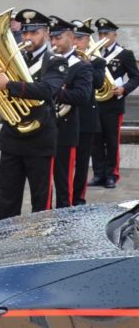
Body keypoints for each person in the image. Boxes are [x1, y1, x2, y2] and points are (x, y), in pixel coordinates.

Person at [0, 9, 65, 220]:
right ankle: (6, 237)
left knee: (41, 199)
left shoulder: (55, 61)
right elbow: (3, 94)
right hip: (12, 138)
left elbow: (48, 90)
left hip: (40, 140)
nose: (28, 37)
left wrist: (8, 84)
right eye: (26, 32)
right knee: (8, 198)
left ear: (46, 34)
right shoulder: (11, 59)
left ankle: (41, 236)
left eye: (34, 32)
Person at [89, 18, 139, 189]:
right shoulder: (95, 53)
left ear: (114, 35)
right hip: (96, 103)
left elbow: (136, 77)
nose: (103, 37)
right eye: (100, 34)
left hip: (113, 104)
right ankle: (98, 174)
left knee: (111, 141)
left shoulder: (124, 54)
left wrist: (124, 89)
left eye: (106, 34)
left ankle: (111, 175)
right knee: (96, 141)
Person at [49, 16, 92, 209]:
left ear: (71, 38)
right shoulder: (47, 62)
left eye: (58, 38)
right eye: (52, 38)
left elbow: (82, 96)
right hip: (44, 128)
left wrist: (53, 90)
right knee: (43, 183)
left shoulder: (81, 66)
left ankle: (64, 219)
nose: (54, 42)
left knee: (63, 182)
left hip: (65, 130)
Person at [72, 20, 104, 206]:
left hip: (86, 118)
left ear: (87, 40)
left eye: (80, 39)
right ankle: (64, 197)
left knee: (82, 162)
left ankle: (78, 198)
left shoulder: (97, 61)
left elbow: (98, 83)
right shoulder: (63, 59)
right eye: (74, 38)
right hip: (65, 118)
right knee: (63, 164)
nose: (76, 42)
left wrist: (86, 63)